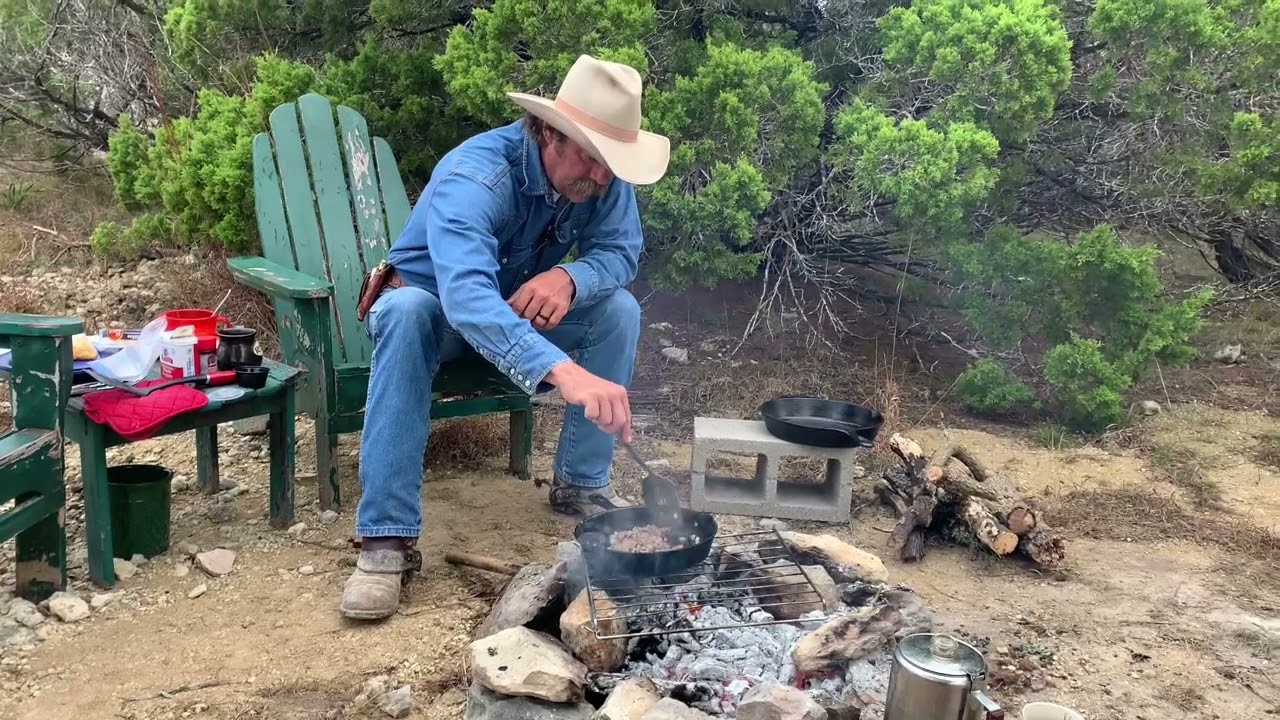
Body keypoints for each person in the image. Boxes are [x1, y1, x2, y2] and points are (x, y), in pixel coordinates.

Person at [339, 55, 672, 620]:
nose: (602, 177)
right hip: (436, 317)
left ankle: (581, 483)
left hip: (513, 319)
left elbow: (620, 252)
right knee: (408, 312)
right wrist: (565, 373)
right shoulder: (477, 175)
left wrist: (569, 277)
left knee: (617, 310)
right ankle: (385, 541)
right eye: (592, 158)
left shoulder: (603, 175)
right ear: (549, 132)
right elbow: (467, 298)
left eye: (612, 163)